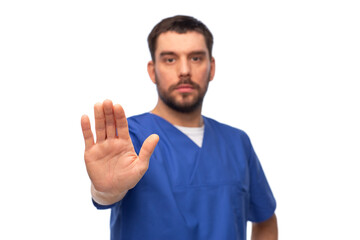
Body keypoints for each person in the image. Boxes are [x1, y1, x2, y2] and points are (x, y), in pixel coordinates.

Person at [81, 15, 278, 240]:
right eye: (170, 59)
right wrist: (105, 191)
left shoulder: (237, 143)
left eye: (195, 58)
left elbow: (265, 220)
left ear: (211, 68)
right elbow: (107, 193)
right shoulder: (130, 139)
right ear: (152, 70)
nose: (184, 70)